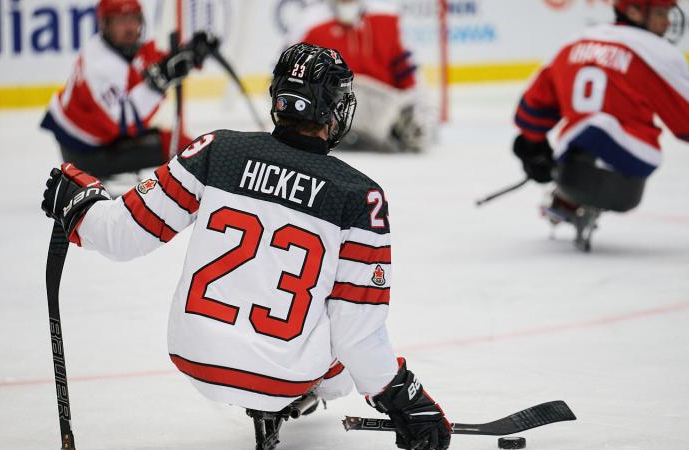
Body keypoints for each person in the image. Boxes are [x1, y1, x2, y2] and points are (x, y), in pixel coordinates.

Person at [41, 43, 451, 450]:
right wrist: (405, 400)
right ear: (331, 109)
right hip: (282, 374)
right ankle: (289, 395)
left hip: (194, 354)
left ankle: (273, 390)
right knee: (343, 323)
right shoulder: (359, 196)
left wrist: (82, 206)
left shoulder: (216, 149)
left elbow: (121, 234)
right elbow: (357, 335)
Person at [511, 0, 689, 251]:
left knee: (588, 130)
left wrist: (534, 147)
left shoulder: (573, 43)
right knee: (604, 128)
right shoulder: (657, 52)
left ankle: (566, 195)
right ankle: (580, 175)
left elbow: (531, 111)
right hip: (629, 174)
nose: (667, 22)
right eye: (661, 13)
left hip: (571, 167)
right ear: (634, 11)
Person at [39, 0, 218, 181]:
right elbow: (126, 123)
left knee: (181, 143)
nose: (131, 27)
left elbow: (153, 62)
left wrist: (190, 54)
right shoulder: (100, 65)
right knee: (180, 145)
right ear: (106, 24)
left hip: (94, 136)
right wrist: (163, 78)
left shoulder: (117, 45)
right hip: (85, 152)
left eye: (134, 19)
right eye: (121, 21)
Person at [290, 0, 430, 152]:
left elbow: (407, 72)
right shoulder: (312, 26)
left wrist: (413, 104)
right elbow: (294, 74)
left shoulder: (387, 20)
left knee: (415, 126)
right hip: (331, 114)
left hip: (382, 113)